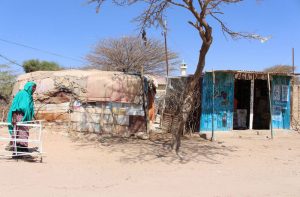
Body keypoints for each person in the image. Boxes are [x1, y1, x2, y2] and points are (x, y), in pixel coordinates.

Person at [7, 81, 36, 153]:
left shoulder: (29, 96)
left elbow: (30, 109)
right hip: (18, 116)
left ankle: (22, 150)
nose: (34, 89)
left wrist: (32, 117)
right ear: (29, 87)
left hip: (25, 117)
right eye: (33, 87)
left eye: (35, 88)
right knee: (18, 132)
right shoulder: (21, 94)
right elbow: (15, 106)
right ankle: (18, 151)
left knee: (24, 132)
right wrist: (14, 118)